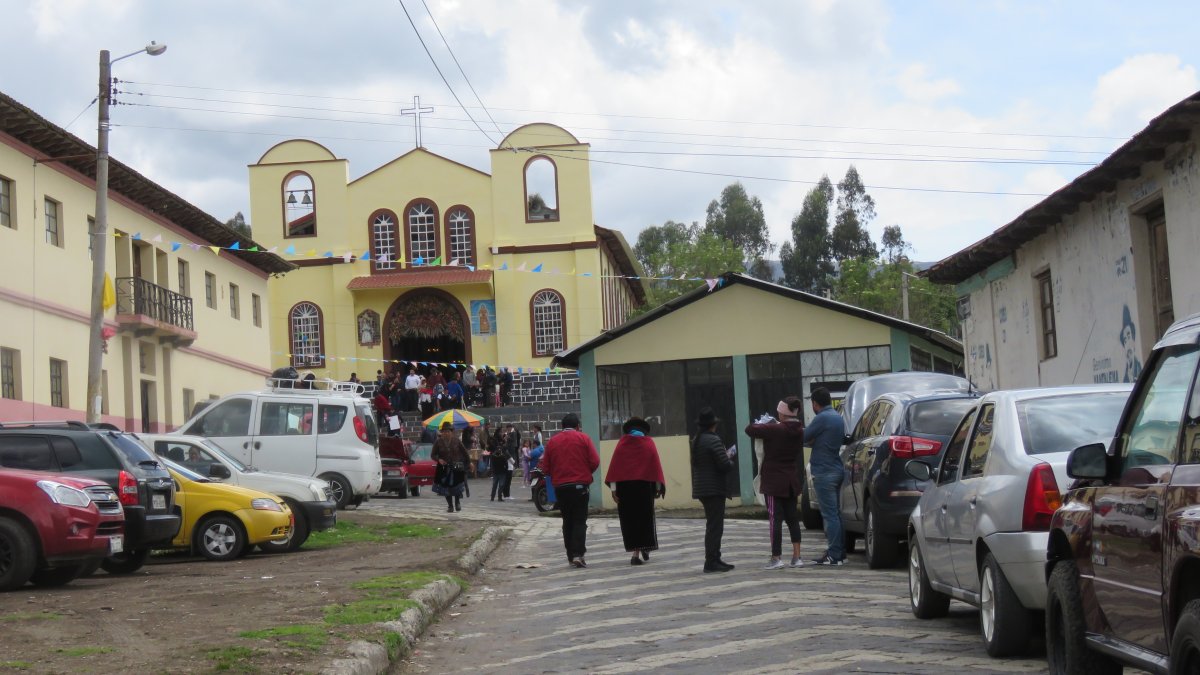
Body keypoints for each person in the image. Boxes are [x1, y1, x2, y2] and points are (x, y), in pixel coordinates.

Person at [746, 397, 806, 569]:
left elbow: (750, 429)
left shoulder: (775, 429)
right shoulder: (800, 430)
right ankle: (797, 557)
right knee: (793, 519)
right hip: (791, 481)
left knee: (775, 520)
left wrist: (764, 422)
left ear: (783, 413)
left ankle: (776, 557)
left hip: (773, 482)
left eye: (779, 411)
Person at [541, 413, 600, 568]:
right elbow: (595, 461)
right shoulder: (584, 438)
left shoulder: (553, 442)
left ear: (562, 427)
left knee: (567, 520)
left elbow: (545, 467)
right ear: (577, 426)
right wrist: (585, 473)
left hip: (561, 488)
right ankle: (578, 554)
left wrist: (556, 475)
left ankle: (570, 555)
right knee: (580, 520)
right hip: (580, 486)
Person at [604, 417, 665, 566]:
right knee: (644, 519)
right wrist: (657, 488)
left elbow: (614, 468)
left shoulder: (622, 444)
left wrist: (613, 490)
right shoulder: (649, 443)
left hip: (625, 489)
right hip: (644, 488)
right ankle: (641, 550)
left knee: (630, 520)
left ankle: (636, 551)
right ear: (644, 430)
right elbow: (655, 466)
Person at [805, 387, 847, 566]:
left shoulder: (821, 418)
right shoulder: (837, 417)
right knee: (835, 514)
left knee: (829, 515)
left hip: (824, 471)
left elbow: (804, 436)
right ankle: (839, 552)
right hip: (836, 469)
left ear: (815, 403)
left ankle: (834, 555)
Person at [692, 407, 734, 573]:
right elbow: (723, 464)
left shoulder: (698, 439)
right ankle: (711, 561)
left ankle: (715, 558)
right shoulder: (713, 440)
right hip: (713, 488)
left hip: (703, 488)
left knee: (713, 525)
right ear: (713, 425)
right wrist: (730, 458)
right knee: (715, 527)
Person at [431, 421, 469, 512]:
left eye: (448, 431)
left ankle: (457, 503)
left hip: (456, 467)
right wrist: (438, 459)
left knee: (457, 487)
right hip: (444, 467)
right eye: (444, 431)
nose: (446, 433)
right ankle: (450, 506)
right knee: (446, 488)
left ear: (451, 432)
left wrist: (468, 463)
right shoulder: (438, 442)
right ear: (442, 432)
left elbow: (465, 453)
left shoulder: (457, 441)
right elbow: (433, 455)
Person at [489, 426, 510, 501]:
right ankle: (498, 497)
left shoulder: (493, 456)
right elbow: (506, 464)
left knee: (495, 484)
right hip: (500, 471)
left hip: (496, 471)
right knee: (500, 484)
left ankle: (493, 497)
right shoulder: (502, 456)